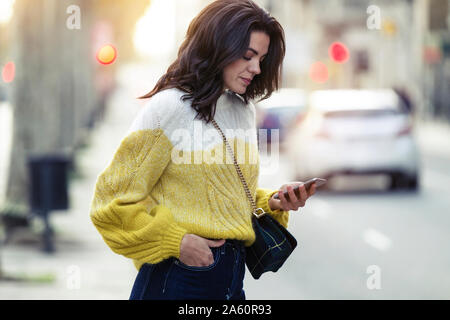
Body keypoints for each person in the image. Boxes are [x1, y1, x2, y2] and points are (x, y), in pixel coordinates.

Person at [89, 0, 316, 300]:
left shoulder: (242, 109)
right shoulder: (168, 108)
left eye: (261, 58)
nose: (256, 68)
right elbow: (110, 202)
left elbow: (224, 196)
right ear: (217, 48)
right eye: (248, 56)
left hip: (232, 280)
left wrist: (273, 202)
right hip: (181, 278)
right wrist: (176, 241)